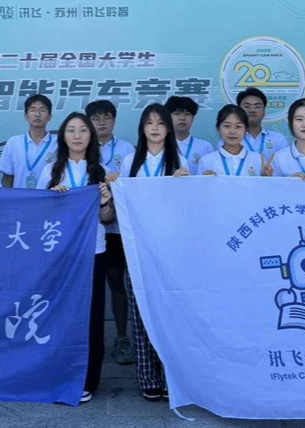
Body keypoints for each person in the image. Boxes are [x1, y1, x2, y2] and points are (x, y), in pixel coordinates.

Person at [114, 104, 190, 401]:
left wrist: (185, 183)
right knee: (140, 314)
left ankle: (171, 376)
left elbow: (188, 207)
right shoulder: (130, 161)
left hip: (170, 252)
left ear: (168, 128)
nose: (155, 128)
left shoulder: (179, 160)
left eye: (160, 123)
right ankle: (148, 377)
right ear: (142, 128)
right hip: (137, 249)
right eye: (149, 123)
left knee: (170, 315)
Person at [37, 112, 114, 404]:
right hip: (60, 254)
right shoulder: (51, 171)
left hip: (93, 252)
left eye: (83, 130)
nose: (77, 135)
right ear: (63, 137)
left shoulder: (101, 171)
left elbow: (108, 218)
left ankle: (87, 379)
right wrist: (52, 199)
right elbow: (38, 213)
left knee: (91, 317)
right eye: (71, 130)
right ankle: (57, 374)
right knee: (59, 314)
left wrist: (104, 203)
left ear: (91, 136)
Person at [84, 99, 135, 365]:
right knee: (90, 287)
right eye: (96, 118)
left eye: (107, 117)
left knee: (118, 282)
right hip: (88, 230)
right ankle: (88, 341)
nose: (102, 122)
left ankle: (123, 338)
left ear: (114, 120)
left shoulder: (127, 150)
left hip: (118, 228)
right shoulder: (82, 148)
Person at [0, 94, 55, 188]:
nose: (37, 114)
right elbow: (7, 178)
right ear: (26, 116)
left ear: (49, 116)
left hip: (47, 196)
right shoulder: (14, 142)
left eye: (42, 110)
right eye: (32, 110)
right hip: (19, 197)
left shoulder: (58, 144)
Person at [200, 105, 274, 177]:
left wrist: (265, 178)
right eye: (227, 126)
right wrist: (207, 180)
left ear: (246, 130)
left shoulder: (257, 159)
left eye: (238, 126)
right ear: (218, 128)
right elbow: (198, 184)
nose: (232, 131)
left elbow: (264, 184)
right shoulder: (206, 161)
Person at [230, 88, 288, 160]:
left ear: (264, 111)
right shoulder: (229, 138)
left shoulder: (279, 139)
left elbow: (286, 164)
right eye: (247, 106)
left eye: (257, 106)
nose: (252, 110)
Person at [164, 95, 214, 175]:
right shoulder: (162, 146)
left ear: (193, 118)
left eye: (187, 114)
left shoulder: (205, 147)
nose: (182, 118)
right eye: (176, 113)